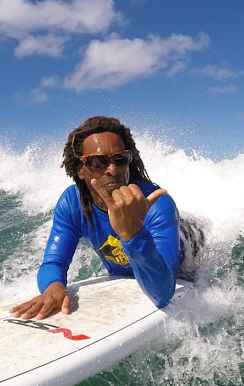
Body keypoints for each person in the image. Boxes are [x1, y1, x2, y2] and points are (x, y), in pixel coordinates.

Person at [10, 116, 186, 320]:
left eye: (120, 159)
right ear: (80, 169)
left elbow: (163, 294)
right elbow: (54, 262)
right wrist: (53, 286)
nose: (112, 169)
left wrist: (133, 232)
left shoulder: (156, 203)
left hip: (184, 263)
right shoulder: (73, 203)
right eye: (98, 162)